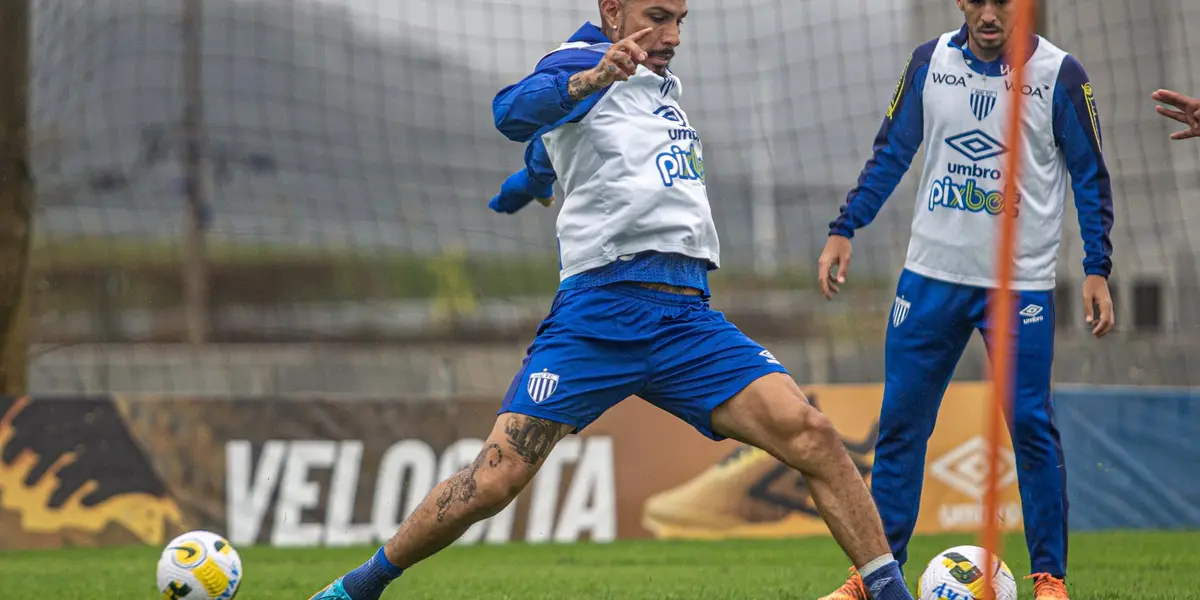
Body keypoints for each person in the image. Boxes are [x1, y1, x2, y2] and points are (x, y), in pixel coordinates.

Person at [310, 2, 916, 600]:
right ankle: (356, 589)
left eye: (681, 19)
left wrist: (525, 188)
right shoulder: (580, 63)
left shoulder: (658, 87)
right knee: (494, 482)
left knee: (812, 433)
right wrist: (594, 77)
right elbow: (512, 111)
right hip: (600, 311)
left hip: (688, 319)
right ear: (612, 11)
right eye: (657, 16)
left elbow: (544, 153)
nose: (672, 34)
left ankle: (889, 594)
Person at [816, 1, 1115, 599]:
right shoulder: (930, 61)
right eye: (977, 0)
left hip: (1020, 285)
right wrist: (846, 227)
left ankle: (1050, 579)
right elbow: (892, 152)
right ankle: (875, 579)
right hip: (930, 277)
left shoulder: (1062, 75)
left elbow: (1090, 175)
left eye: (1002, 1)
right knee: (901, 425)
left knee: (1030, 426)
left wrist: (1096, 268)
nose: (989, 13)